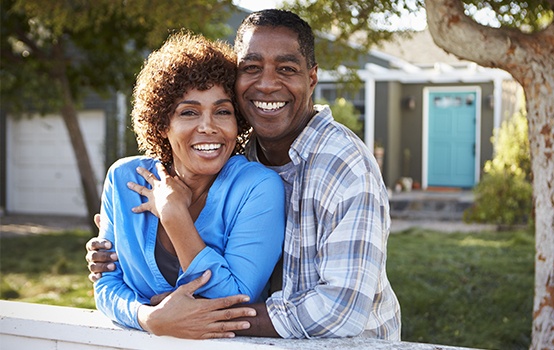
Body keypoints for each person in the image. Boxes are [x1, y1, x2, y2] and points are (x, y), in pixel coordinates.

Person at [87, 9, 401, 340]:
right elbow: (109, 281)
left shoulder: (344, 167)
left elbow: (342, 310)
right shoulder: (245, 152)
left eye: (286, 69)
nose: (266, 84)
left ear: (312, 78)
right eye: (251, 68)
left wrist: (195, 317)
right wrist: (149, 316)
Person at [92, 31, 285, 335]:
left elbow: (235, 300)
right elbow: (105, 284)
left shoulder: (257, 188)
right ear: (161, 123)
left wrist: (173, 214)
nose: (208, 127)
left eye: (222, 111)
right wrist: (148, 317)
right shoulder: (124, 180)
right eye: (189, 112)